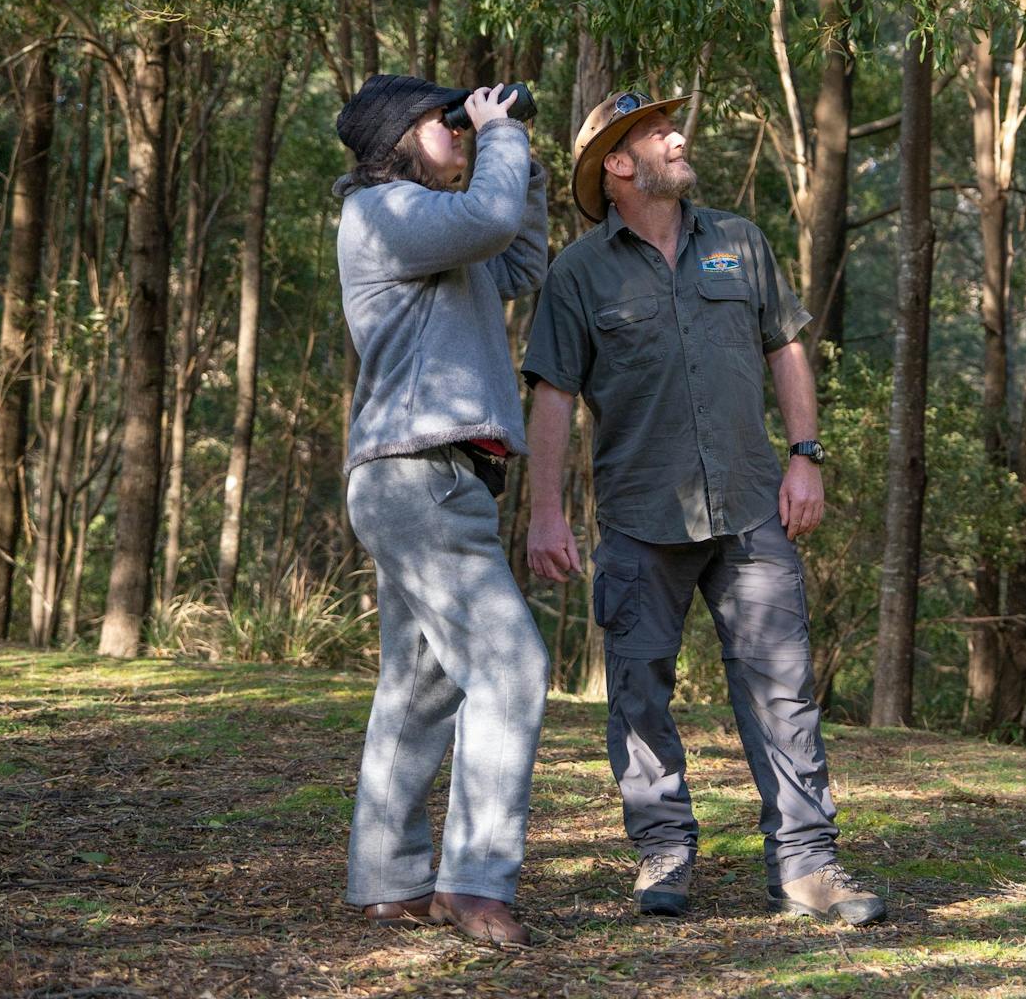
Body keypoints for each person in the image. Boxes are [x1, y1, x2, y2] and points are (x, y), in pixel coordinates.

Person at [521, 90, 886, 927]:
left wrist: (806, 456)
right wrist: (546, 515)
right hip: (641, 518)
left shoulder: (739, 243)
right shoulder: (579, 274)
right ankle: (662, 851)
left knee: (783, 691)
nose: (678, 136)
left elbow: (785, 344)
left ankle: (805, 866)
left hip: (753, 507)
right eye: (656, 133)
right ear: (616, 166)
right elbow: (551, 396)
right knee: (639, 692)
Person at [335, 74, 549, 947]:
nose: (458, 131)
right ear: (396, 140)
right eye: (443, 121)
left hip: (431, 479)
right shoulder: (382, 213)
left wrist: (522, 164)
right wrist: (499, 136)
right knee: (512, 667)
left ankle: (388, 880)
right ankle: (474, 881)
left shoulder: (437, 235)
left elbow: (520, 260)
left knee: (420, 688)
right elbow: (489, 222)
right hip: (420, 475)